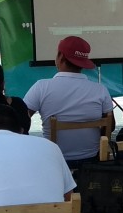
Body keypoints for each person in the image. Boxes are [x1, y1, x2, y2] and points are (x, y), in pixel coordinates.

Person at [23, 36, 114, 168]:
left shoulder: (41, 87)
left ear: (60, 56)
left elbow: (22, 119)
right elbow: (109, 125)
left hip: (54, 160)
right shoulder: (100, 89)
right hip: (92, 160)